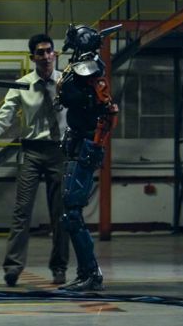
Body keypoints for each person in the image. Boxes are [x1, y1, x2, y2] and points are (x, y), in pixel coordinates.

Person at [0, 33, 69, 287]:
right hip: (31, 152)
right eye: (41, 52)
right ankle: (13, 268)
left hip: (60, 151)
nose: (46, 56)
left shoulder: (66, 82)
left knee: (61, 213)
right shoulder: (22, 85)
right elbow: (5, 115)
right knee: (21, 211)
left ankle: (59, 267)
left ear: (55, 54)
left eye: (50, 51)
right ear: (33, 57)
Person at [53, 24, 120, 292]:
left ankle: (91, 274)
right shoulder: (80, 69)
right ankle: (87, 273)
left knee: (71, 211)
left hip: (86, 145)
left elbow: (78, 99)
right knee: (71, 211)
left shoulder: (89, 68)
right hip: (79, 142)